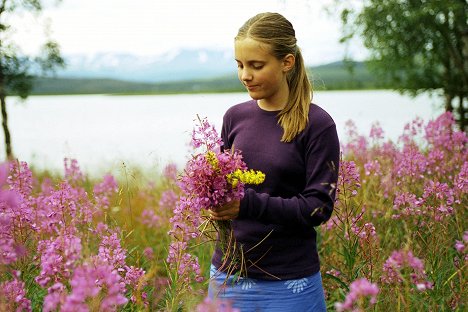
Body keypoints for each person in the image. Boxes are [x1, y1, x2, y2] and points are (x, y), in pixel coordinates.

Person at [208, 12, 340, 311]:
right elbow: (222, 185)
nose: (245, 75)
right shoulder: (234, 117)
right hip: (228, 274)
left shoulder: (317, 124)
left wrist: (247, 204)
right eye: (240, 65)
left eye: (256, 65)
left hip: (290, 281)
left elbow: (318, 207)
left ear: (287, 62)